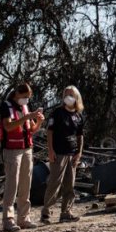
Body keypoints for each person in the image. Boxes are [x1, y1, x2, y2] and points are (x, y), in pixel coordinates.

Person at [0, 82, 45, 232]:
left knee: (26, 184)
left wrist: (38, 121)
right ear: (17, 93)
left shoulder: (24, 107)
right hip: (12, 150)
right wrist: (26, 117)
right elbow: (8, 126)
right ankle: (8, 219)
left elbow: (32, 129)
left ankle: (24, 218)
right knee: (12, 184)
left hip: (27, 149)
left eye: (28, 97)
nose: (26, 99)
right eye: (25, 96)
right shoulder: (6, 106)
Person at [41, 85, 85, 224]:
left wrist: (79, 152)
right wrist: (50, 150)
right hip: (58, 153)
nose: (68, 97)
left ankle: (66, 212)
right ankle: (46, 213)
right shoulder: (57, 113)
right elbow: (50, 132)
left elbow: (80, 135)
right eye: (66, 94)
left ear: (76, 97)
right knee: (54, 183)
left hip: (72, 154)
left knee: (69, 185)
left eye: (71, 94)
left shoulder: (78, 115)